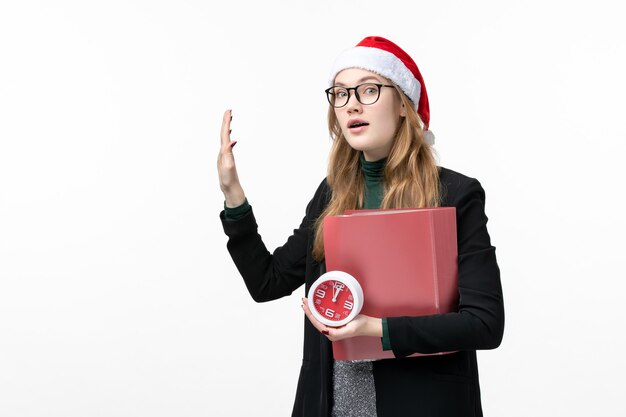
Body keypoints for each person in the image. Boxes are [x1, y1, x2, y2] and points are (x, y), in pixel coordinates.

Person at [217, 36, 504, 417]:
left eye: (369, 90)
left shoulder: (454, 194)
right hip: (332, 405)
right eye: (339, 93)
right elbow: (266, 282)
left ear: (403, 104)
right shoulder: (332, 195)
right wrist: (232, 193)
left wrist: (376, 329)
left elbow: (484, 324)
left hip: (423, 403)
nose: (351, 103)